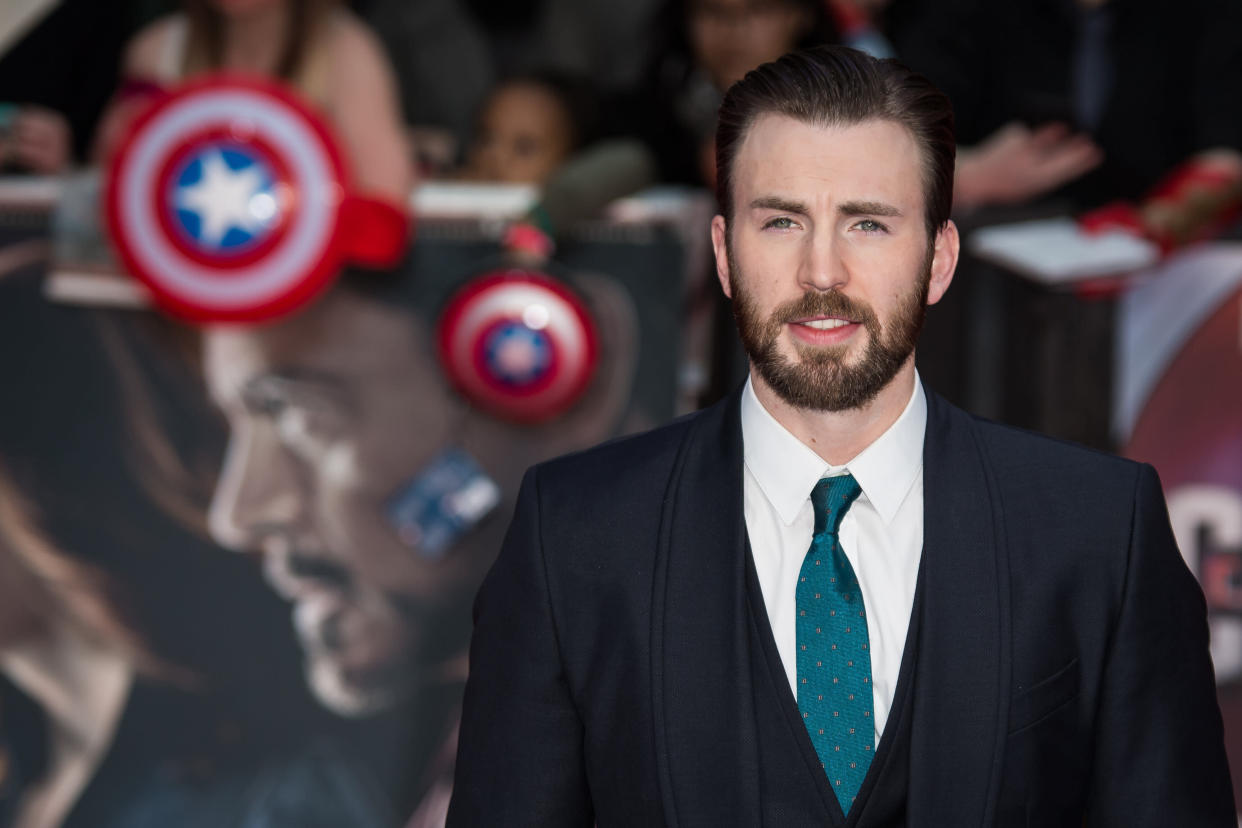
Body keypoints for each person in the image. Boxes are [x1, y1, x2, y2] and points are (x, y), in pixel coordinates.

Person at [447, 45, 1235, 825]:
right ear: (724, 255)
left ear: (939, 258)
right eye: (783, 220)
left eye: (868, 224)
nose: (822, 271)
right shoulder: (575, 535)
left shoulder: (1099, 531)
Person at [94, 0, 411, 204]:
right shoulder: (157, 49)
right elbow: (107, 189)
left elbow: (384, 201)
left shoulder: (347, 51)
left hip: (317, 295)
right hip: (179, 285)